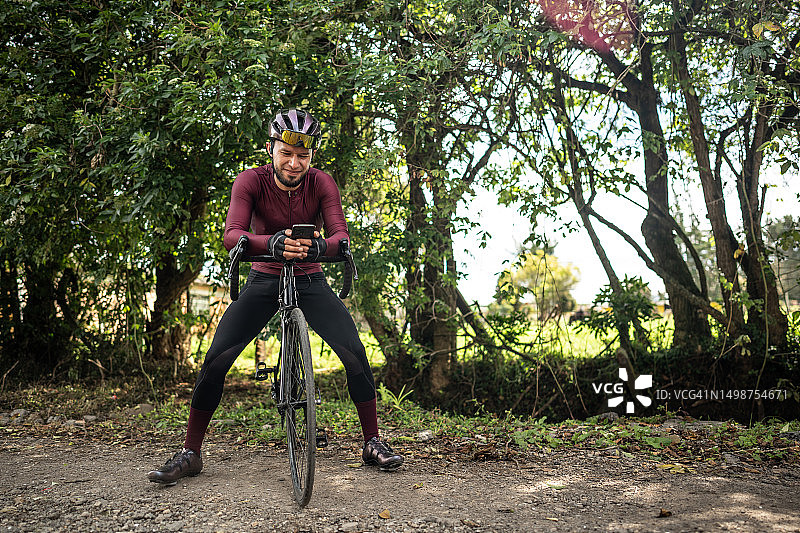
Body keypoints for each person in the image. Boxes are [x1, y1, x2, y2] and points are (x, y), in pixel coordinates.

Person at [147, 108, 403, 485]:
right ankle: (191, 452)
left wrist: (320, 248)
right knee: (216, 361)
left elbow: (341, 235)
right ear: (272, 149)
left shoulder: (322, 183)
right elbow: (232, 234)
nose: (294, 163)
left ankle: (371, 442)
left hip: (310, 278)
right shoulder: (249, 181)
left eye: (303, 155)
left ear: (312, 156)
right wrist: (272, 243)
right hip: (264, 278)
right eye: (286, 153)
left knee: (355, 353)